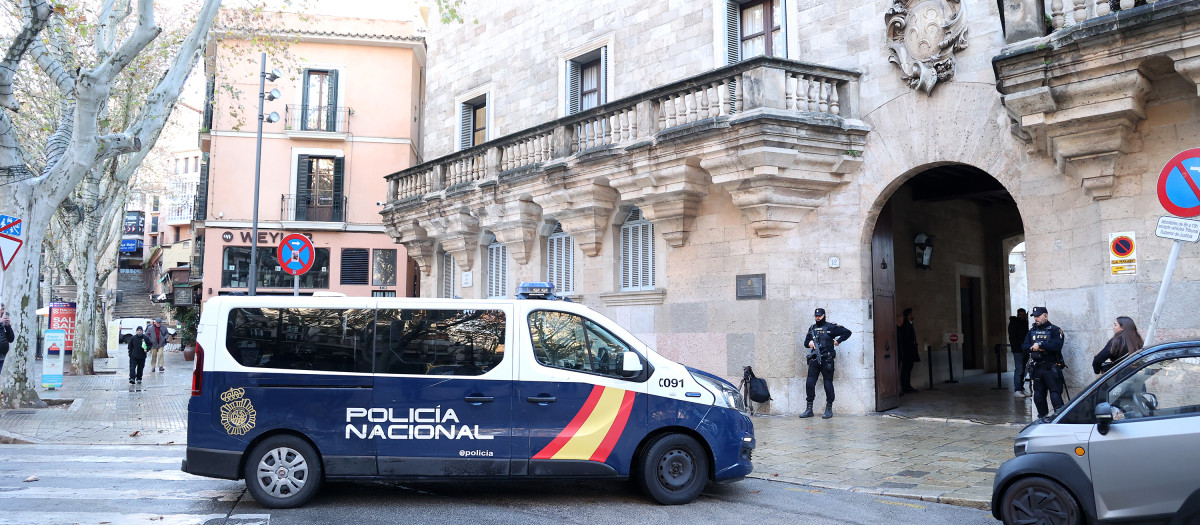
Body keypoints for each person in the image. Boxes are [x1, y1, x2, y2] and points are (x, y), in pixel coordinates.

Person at [800, 308, 852, 419]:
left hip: (827, 360)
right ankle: (809, 409)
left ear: (824, 315)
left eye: (820, 315)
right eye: (816, 316)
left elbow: (847, 332)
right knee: (810, 383)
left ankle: (829, 409)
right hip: (814, 360)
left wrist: (838, 341)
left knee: (827, 384)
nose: (818, 317)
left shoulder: (831, 327)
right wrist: (809, 343)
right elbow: (805, 342)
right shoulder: (812, 328)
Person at [1022, 306, 1065, 420]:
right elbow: (1024, 347)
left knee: (1055, 397)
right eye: (1034, 316)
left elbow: (1057, 346)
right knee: (1038, 397)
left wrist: (1041, 345)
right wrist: (1032, 348)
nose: (1036, 318)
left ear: (1046, 315)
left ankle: (1059, 421)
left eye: (1038, 316)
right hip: (1037, 368)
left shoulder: (1055, 330)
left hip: (1051, 368)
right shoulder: (1032, 331)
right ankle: (1043, 420)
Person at [1008, 308, 1030, 397]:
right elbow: (1012, 338)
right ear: (1018, 315)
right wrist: (1017, 348)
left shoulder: (1025, 323)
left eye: (1023, 314)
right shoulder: (1013, 323)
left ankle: (1021, 388)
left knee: (1024, 370)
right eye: (1020, 314)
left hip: (1025, 349)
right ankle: (1017, 389)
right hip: (1018, 350)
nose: (1022, 316)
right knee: (1019, 369)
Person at [897, 307, 919, 394]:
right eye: (913, 313)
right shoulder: (906, 324)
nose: (914, 315)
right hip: (908, 352)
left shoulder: (909, 324)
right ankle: (906, 387)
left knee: (908, 369)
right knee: (906, 369)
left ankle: (908, 386)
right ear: (909, 315)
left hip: (910, 351)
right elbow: (906, 339)